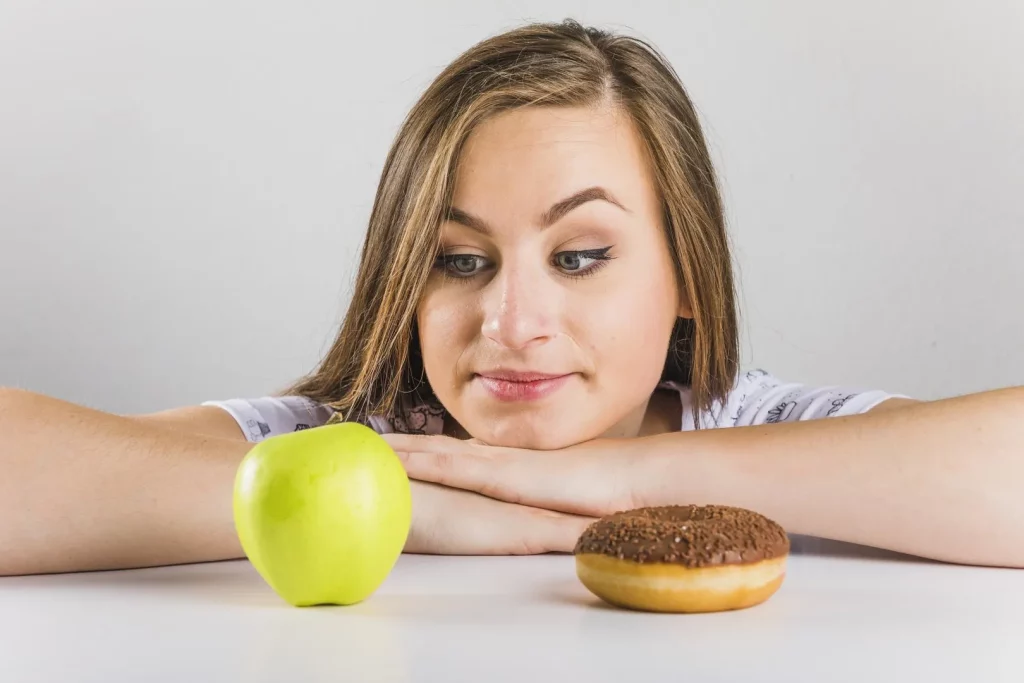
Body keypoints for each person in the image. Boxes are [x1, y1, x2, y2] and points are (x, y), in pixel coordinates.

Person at [2, 20, 1022, 577]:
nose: (511, 321)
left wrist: (624, 479)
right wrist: (414, 508)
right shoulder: (361, 442)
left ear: (688, 283)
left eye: (578, 256)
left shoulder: (759, 428)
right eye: (457, 260)